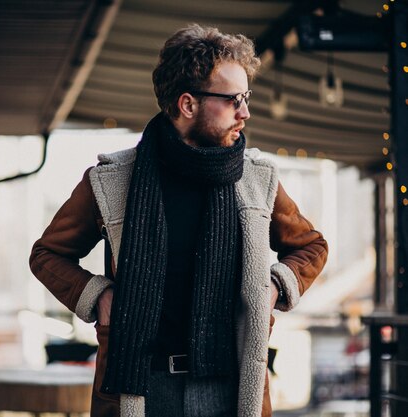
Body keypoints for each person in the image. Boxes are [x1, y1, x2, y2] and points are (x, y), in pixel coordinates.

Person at [30, 24, 328, 417]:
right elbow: (47, 254)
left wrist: (272, 288)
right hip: (142, 384)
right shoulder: (113, 179)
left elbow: (311, 245)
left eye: (246, 97)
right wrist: (100, 296)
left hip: (229, 384)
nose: (246, 112)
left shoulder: (257, 178)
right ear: (187, 105)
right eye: (233, 99)